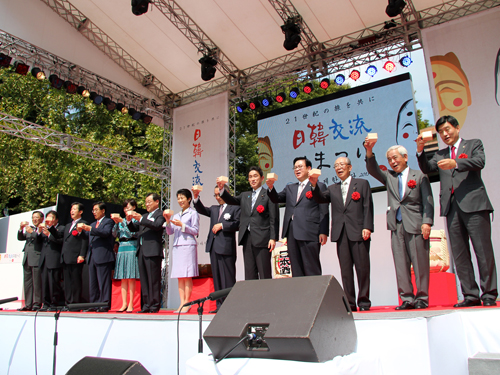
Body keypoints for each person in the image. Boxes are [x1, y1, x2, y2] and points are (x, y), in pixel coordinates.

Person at [417, 115, 497, 307]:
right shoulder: (440, 154)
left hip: (475, 206)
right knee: (460, 254)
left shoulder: (473, 144)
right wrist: (420, 151)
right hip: (451, 208)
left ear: (457, 128)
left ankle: (489, 294)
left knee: (483, 252)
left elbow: (480, 161)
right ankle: (470, 294)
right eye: (441, 132)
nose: (445, 134)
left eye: (447, 129)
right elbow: (427, 168)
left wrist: (457, 163)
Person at [365, 141, 434, 310]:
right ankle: (407, 299)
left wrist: (427, 222)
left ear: (405, 157)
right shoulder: (389, 177)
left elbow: (428, 201)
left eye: (395, 158)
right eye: (389, 159)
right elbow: (373, 169)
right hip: (397, 225)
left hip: (416, 224)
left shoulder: (419, 176)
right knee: (401, 264)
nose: (392, 162)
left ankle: (422, 298)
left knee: (420, 263)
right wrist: (369, 150)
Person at [310, 157, 374, 311]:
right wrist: (313, 184)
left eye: (341, 165)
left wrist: (367, 227)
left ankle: (364, 301)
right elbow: (319, 198)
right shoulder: (332, 188)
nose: (338, 168)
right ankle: (350, 303)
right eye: (336, 166)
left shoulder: (362, 184)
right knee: (345, 271)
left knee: (362, 268)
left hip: (359, 231)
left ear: (349, 167)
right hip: (341, 234)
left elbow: (367, 206)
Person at [267, 156, 329, 277]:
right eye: (295, 167)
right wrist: (270, 188)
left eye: (300, 167)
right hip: (292, 233)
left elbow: (324, 209)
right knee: (296, 269)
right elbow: (276, 198)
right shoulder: (290, 188)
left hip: (310, 232)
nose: (297, 169)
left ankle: (315, 295)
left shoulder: (319, 186)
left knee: (311, 268)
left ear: (309, 168)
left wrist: (324, 231)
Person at [218, 167, 279, 280]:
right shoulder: (245, 195)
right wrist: (221, 190)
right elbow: (231, 200)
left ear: (261, 178)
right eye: (250, 177)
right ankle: (252, 297)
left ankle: (267, 297)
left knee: (264, 272)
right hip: (247, 237)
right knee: (250, 273)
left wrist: (273, 238)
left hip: (263, 238)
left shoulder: (269, 194)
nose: (252, 179)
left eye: (255, 176)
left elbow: (273, 217)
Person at [193, 185, 240, 312]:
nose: (218, 197)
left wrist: (223, 225)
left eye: (219, 194)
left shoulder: (234, 207)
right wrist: (196, 198)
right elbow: (202, 209)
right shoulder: (214, 209)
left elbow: (238, 224)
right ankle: (219, 306)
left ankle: (230, 306)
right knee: (217, 277)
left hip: (226, 248)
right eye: (216, 195)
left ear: (227, 192)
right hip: (213, 247)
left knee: (228, 277)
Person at [127, 193, 165, 313]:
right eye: (146, 202)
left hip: (153, 251)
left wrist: (141, 219)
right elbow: (134, 228)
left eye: (149, 201)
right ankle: (146, 305)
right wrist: (129, 221)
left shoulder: (161, 214)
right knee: (144, 279)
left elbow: (157, 226)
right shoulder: (145, 215)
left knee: (153, 280)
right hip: (142, 251)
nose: (147, 204)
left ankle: (154, 305)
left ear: (157, 202)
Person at [165, 189, 200, 313]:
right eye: (178, 198)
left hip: (188, 246)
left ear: (189, 199)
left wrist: (182, 225)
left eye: (182, 198)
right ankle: (181, 302)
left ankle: (187, 302)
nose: (180, 201)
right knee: (180, 276)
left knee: (187, 275)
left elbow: (195, 231)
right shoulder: (176, 215)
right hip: (177, 246)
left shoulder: (193, 213)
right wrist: (168, 222)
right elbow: (170, 232)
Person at [80, 202, 115, 312]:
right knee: (93, 283)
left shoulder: (108, 221)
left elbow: (105, 233)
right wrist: (81, 231)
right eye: (93, 210)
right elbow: (86, 237)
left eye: (96, 210)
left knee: (103, 282)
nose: (93, 212)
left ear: (103, 210)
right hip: (92, 257)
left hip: (103, 256)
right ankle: (93, 304)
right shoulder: (93, 223)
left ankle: (104, 304)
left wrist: (90, 229)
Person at [112, 199, 140, 313]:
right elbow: (114, 234)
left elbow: (133, 233)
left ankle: (131, 304)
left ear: (134, 208)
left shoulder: (136, 220)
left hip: (132, 246)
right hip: (122, 247)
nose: (126, 210)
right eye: (125, 208)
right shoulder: (121, 220)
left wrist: (124, 223)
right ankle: (123, 303)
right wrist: (116, 223)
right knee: (123, 277)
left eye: (128, 208)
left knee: (131, 276)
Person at [60, 202, 89, 311]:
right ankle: (68, 303)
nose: (72, 211)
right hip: (66, 256)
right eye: (71, 209)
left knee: (75, 281)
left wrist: (82, 254)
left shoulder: (83, 223)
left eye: (75, 209)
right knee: (67, 282)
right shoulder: (68, 225)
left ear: (80, 212)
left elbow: (84, 240)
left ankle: (75, 304)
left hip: (76, 256)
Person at [17, 211, 44, 311]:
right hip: (27, 258)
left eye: (36, 217)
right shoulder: (30, 229)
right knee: (27, 282)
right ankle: (28, 304)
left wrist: (32, 232)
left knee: (36, 283)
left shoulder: (41, 229)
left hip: (36, 258)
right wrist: (21, 228)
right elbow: (20, 238)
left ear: (42, 218)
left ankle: (37, 303)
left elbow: (39, 239)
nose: (34, 219)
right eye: (33, 217)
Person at [39, 211, 64, 312]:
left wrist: (49, 234)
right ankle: (45, 303)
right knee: (44, 283)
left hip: (54, 259)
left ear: (56, 220)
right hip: (44, 259)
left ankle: (54, 303)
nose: (49, 220)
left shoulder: (61, 228)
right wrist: (39, 231)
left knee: (53, 283)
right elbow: (38, 241)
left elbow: (60, 241)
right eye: (47, 218)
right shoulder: (44, 228)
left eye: (51, 218)